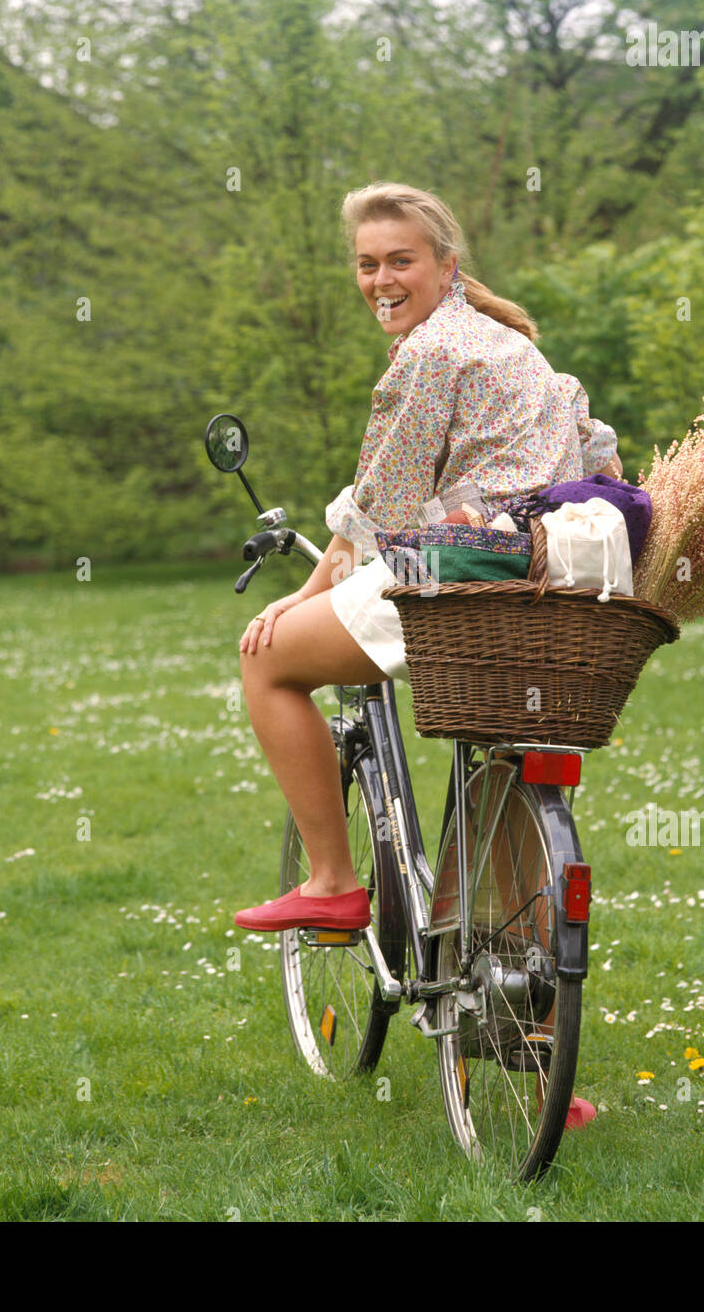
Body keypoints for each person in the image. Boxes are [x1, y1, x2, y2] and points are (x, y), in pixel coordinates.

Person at [235, 181, 621, 934]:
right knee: (505, 749)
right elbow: (599, 454)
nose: (381, 281)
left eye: (400, 261)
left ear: (447, 267)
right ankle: (509, 954)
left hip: (464, 569)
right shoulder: (512, 346)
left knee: (267, 661)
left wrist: (299, 599)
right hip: (557, 574)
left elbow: (375, 513)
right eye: (366, 264)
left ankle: (333, 883)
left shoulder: (433, 352)